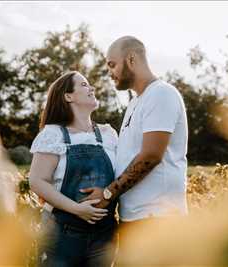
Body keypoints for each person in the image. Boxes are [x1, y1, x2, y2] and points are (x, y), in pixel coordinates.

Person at [80, 36, 188, 259]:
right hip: (136, 220)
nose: (110, 72)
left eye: (112, 64)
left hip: (157, 221)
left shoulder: (161, 94)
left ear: (131, 59)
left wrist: (108, 193)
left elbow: (151, 155)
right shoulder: (135, 102)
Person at [28, 71, 118, 267]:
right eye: (84, 85)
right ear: (68, 96)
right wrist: (77, 209)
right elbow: (36, 181)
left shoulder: (108, 134)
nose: (92, 88)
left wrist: (108, 194)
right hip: (62, 234)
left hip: (104, 235)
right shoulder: (54, 135)